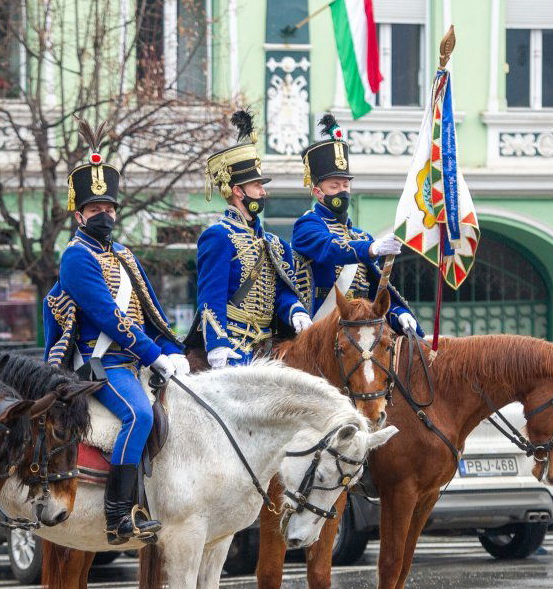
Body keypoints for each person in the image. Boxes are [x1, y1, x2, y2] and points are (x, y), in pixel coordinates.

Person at [42, 118, 187, 546]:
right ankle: (118, 514)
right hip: (102, 364)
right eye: (95, 209)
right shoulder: (76, 258)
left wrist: (171, 349)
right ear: (79, 212)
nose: (104, 215)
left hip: (137, 356)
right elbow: (110, 319)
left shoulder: (124, 254)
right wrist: (152, 356)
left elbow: (150, 312)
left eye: (109, 208)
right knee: (139, 414)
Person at [192, 110, 312, 368]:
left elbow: (281, 293)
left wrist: (295, 310)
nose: (263, 192)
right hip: (234, 345)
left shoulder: (274, 243)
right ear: (238, 191)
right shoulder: (218, 236)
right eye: (257, 186)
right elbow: (210, 297)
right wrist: (217, 344)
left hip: (270, 346)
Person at [292, 114, 422, 336]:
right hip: (323, 331)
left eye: (345, 184)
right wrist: (371, 249)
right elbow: (329, 248)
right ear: (317, 192)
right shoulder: (307, 226)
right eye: (334, 186)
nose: (342, 191)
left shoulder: (361, 237)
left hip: (362, 331)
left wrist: (398, 312)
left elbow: (374, 292)